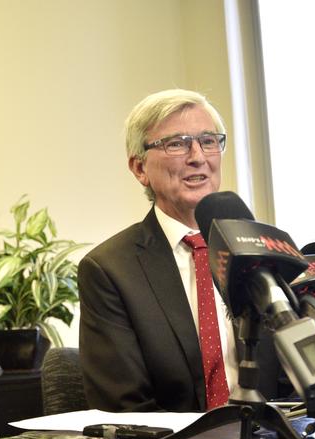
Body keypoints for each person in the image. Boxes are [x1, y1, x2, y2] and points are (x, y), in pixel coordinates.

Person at [78, 89, 286, 412]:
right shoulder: (109, 270)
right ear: (139, 168)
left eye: (208, 141)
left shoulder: (262, 251)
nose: (197, 156)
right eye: (177, 143)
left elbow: (292, 381)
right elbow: (125, 410)